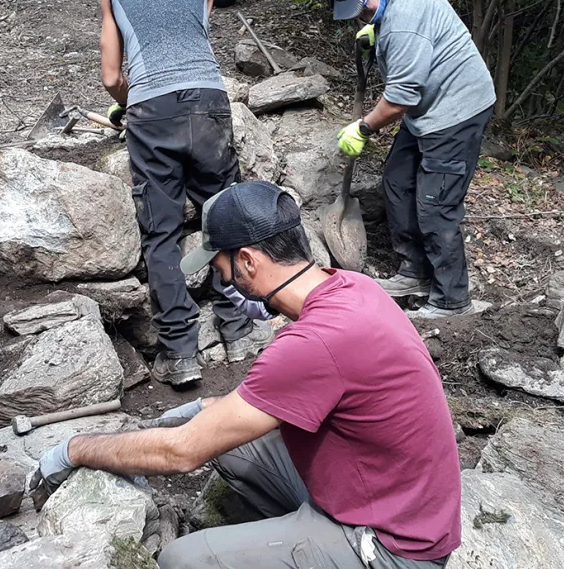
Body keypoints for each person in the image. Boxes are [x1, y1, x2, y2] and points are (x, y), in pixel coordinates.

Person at [30, 181, 462, 568]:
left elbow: (181, 454)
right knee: (233, 447)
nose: (223, 281)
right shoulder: (351, 287)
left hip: (392, 546)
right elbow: (275, 403)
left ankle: (307, 548)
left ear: (249, 261)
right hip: (392, 497)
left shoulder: (314, 344)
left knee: (182, 558)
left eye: (221, 268)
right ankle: (290, 541)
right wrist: (201, 410)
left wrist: (76, 449)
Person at [99, 0, 273, 385]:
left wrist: (127, 99)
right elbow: (193, 32)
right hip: (208, 101)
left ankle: (179, 355)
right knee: (225, 213)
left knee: (162, 232)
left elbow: (111, 73)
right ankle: (239, 330)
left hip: (151, 111)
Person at [329, 0, 496, 319]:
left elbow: (401, 98)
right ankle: (415, 272)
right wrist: (376, 26)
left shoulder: (404, 20)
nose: (359, 15)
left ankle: (452, 300)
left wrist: (363, 127)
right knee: (397, 181)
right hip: (428, 108)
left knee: (436, 204)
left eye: (362, 7)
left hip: (457, 109)